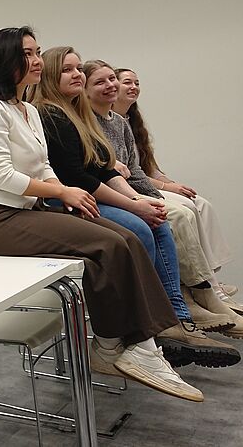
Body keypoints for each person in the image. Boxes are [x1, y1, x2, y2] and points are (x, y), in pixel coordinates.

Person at [0, 27, 202, 402]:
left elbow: (42, 167)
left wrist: (69, 194)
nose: (38, 60)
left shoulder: (26, 110)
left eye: (38, 51)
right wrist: (62, 191)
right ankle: (119, 347)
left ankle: (137, 343)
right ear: (6, 61)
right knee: (107, 243)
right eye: (28, 53)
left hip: (26, 212)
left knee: (125, 236)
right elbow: (0, 175)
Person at [83, 59, 242, 352]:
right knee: (168, 217)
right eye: (102, 82)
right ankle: (186, 303)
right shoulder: (83, 123)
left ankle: (198, 296)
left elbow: (138, 169)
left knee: (195, 206)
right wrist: (146, 199)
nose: (115, 86)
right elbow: (97, 173)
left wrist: (154, 195)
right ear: (85, 89)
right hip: (105, 194)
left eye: (115, 81)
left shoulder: (122, 122)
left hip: (128, 189)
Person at [114, 67, 236, 295]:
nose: (133, 87)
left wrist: (174, 185)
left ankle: (211, 279)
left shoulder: (133, 122)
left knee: (200, 203)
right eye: (127, 82)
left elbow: (149, 167)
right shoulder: (108, 123)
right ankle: (203, 288)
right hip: (130, 188)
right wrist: (166, 187)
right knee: (186, 209)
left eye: (137, 83)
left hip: (143, 182)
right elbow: (132, 173)